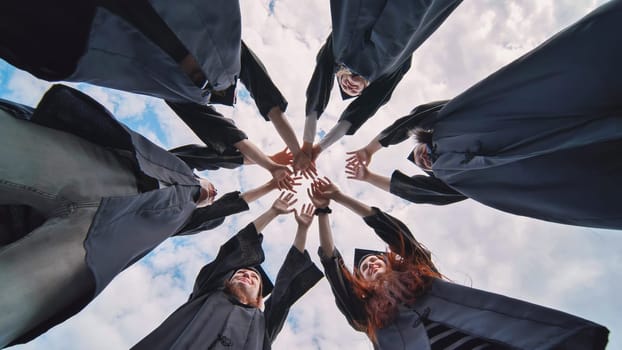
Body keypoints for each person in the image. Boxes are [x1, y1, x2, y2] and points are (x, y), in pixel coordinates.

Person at [0, 85, 291, 348]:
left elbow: (222, 210)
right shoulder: (173, 170)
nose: (213, 194)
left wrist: (265, 190)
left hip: (95, 243)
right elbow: (208, 157)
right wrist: (258, 163)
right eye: (208, 187)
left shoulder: (173, 218)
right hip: (92, 170)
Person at [346, 0, 622, 229]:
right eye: (424, 166)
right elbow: (419, 193)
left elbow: (409, 121)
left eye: (420, 153)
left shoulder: (446, 123)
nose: (425, 159)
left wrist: (371, 148)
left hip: (530, 112)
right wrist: (368, 177)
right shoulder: (456, 177)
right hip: (538, 159)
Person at [0, 0, 313, 182]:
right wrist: (297, 148)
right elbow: (269, 101)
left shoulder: (184, 93)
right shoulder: (227, 56)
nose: (195, 71)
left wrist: (272, 166)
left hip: (71, 38)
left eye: (197, 75)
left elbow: (232, 137)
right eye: (198, 73)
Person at [307, 178, 609, 349]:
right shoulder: (367, 316)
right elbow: (333, 269)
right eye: (364, 267)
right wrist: (322, 212)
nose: (370, 264)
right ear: (361, 281)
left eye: (375, 259)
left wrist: (340, 197)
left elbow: (397, 234)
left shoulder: (420, 277)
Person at [132, 193, 323, 349]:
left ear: (260, 296)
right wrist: (272, 212)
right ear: (226, 280)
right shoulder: (207, 292)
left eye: (254, 277)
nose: (247, 274)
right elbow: (229, 254)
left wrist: (302, 230)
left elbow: (285, 291)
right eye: (240, 272)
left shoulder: (263, 326)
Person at [297, 0, 462, 167]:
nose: (348, 86)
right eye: (355, 92)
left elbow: (321, 76)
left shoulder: (338, 51)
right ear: (367, 90)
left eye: (342, 81)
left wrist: (307, 141)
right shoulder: (387, 72)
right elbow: (357, 114)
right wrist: (317, 147)